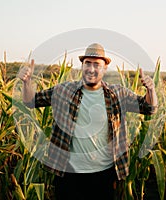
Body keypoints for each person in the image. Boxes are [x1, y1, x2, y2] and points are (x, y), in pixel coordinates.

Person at [18, 43, 158, 200]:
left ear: (105, 68)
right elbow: (30, 101)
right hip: (68, 173)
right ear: (82, 65)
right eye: (88, 63)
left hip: (103, 175)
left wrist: (150, 90)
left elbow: (149, 108)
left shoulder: (117, 94)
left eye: (97, 64)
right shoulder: (64, 90)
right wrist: (26, 82)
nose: (91, 69)